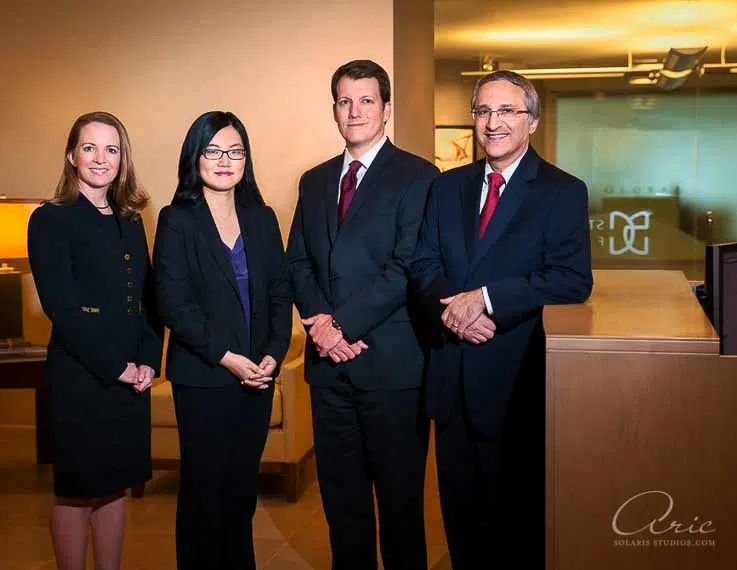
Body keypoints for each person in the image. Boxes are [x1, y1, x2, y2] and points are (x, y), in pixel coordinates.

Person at [411, 70, 593, 569]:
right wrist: (458, 312)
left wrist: (487, 298)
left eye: (507, 111)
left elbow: (572, 279)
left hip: (516, 383)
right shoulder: (446, 188)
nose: (494, 123)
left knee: (516, 530)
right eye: (484, 111)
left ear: (531, 121)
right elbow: (423, 266)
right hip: (452, 379)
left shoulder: (561, 191)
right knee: (461, 525)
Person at [286, 60, 439, 570]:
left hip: (392, 368)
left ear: (387, 109)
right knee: (341, 504)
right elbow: (298, 262)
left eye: (366, 100)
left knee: (399, 507)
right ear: (334, 110)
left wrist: (341, 326)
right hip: (330, 374)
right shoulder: (313, 181)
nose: (355, 111)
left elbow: (406, 267)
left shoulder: (419, 176)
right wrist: (322, 327)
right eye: (345, 101)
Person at [152, 111, 292, 570]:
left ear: (246, 159)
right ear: (195, 158)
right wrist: (228, 357)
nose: (225, 160)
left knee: (240, 492)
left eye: (235, 151)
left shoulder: (263, 217)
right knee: (203, 494)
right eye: (213, 151)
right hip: (205, 378)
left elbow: (278, 294)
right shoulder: (177, 220)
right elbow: (174, 304)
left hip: (257, 379)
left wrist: (272, 354)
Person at [27, 111, 163, 570]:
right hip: (81, 378)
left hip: (130, 378)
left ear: (122, 158)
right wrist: (117, 367)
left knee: (114, 485)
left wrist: (147, 360)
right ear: (71, 155)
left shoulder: (130, 219)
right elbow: (62, 311)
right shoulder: (51, 219)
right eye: (89, 147)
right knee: (76, 490)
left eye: (111, 149)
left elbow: (145, 299)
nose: (101, 158)